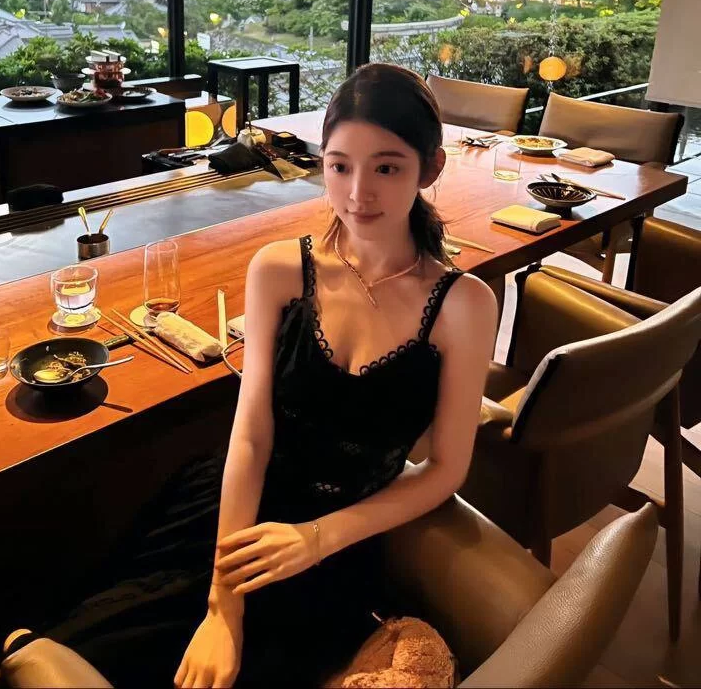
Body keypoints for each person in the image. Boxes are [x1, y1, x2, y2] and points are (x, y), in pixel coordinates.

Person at [46, 63, 497, 687]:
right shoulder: (278, 271)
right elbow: (252, 434)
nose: (358, 193)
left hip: (336, 545)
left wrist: (317, 538)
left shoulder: (463, 305)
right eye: (339, 166)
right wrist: (222, 605)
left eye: (387, 168)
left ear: (431, 168)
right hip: (230, 515)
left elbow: (446, 469)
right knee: (96, 643)